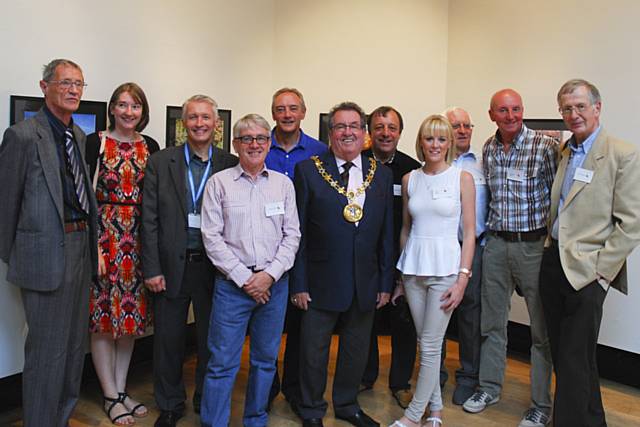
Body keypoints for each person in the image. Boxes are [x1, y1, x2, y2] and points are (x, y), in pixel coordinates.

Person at [0, 58, 98, 427]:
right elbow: (5, 205)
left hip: (80, 252)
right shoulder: (23, 136)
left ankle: (61, 418)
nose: (73, 90)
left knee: (74, 351)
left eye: (79, 84)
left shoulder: (80, 137)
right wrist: (20, 256)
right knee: (46, 354)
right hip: (43, 258)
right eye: (65, 83)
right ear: (44, 87)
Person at [539, 79, 640, 426]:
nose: (573, 114)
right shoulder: (566, 152)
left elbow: (632, 222)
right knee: (570, 357)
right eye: (566, 108)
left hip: (588, 271)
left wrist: (601, 273)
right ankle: (593, 421)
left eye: (580, 106)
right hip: (554, 264)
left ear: (597, 108)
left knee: (573, 356)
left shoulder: (622, 153)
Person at [291, 101, 394, 427]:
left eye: (354, 126)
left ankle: (348, 405)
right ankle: (310, 409)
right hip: (320, 281)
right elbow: (299, 233)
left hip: (366, 281)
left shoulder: (381, 174)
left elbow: (387, 235)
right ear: (330, 133)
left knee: (356, 350)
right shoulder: (308, 170)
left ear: (364, 134)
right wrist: (299, 283)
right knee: (313, 352)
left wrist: (385, 283)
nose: (347, 132)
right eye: (340, 126)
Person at [141, 95, 238, 427]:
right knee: (168, 340)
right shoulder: (160, 161)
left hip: (215, 267)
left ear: (216, 124)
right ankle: (169, 403)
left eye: (205, 118)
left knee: (212, 339)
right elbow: (149, 219)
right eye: (193, 118)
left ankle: (205, 398)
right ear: (184, 123)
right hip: (170, 266)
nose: (199, 123)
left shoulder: (229, 163)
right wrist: (151, 268)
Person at [199, 113, 301, 427]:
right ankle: (214, 422)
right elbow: (211, 238)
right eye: (247, 139)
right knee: (221, 363)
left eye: (260, 138)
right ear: (235, 144)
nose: (254, 144)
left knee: (265, 361)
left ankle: (255, 419)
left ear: (269, 144)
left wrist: (268, 275)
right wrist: (246, 279)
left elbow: (292, 234)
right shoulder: (219, 183)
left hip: (275, 285)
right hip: (232, 286)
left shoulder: (283, 184)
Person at [463, 89, 557, 427]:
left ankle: (540, 405)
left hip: (534, 246)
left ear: (523, 110)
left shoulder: (544, 147)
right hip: (498, 245)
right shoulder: (488, 148)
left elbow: (558, 196)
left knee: (540, 331)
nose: (511, 115)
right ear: (491, 115)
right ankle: (489, 387)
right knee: (491, 323)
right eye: (503, 110)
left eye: (516, 109)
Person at [390, 114, 475, 427]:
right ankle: (435, 412)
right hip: (413, 270)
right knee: (426, 342)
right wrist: (400, 277)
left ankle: (413, 415)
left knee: (429, 344)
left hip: (446, 270)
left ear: (449, 143)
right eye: (430, 138)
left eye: (441, 139)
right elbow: (405, 229)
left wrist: (463, 278)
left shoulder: (461, 178)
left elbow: (468, 232)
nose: (435, 145)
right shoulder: (410, 179)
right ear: (421, 142)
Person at [85, 82, 159, 425]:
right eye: (123, 105)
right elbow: (84, 197)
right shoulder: (95, 142)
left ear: (143, 112)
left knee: (130, 319)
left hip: (139, 240)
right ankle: (109, 394)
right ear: (112, 108)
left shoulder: (152, 146)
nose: (129, 112)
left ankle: (121, 388)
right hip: (105, 240)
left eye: (136, 106)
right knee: (102, 319)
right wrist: (94, 247)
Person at [265, 87, 327, 410]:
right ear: (273, 113)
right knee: (268, 326)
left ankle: (294, 387)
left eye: (293, 108)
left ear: (304, 112)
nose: (287, 114)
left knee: (301, 328)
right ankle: (267, 385)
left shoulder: (320, 152)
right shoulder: (260, 147)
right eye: (280, 109)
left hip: (306, 254)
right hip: (265, 253)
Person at [361, 106, 420, 409]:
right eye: (379, 127)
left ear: (400, 132)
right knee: (364, 319)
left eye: (392, 127)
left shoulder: (412, 170)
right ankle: (366, 375)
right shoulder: (357, 166)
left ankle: (400, 383)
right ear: (370, 131)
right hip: (366, 260)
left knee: (403, 323)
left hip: (402, 259)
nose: (385, 133)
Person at [438, 107, 488, 405]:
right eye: (455, 125)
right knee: (439, 310)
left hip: (476, 248)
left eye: (467, 125)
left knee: (471, 314)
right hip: (442, 249)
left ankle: (468, 376)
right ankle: (436, 375)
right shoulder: (433, 164)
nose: (462, 130)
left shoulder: (484, 164)